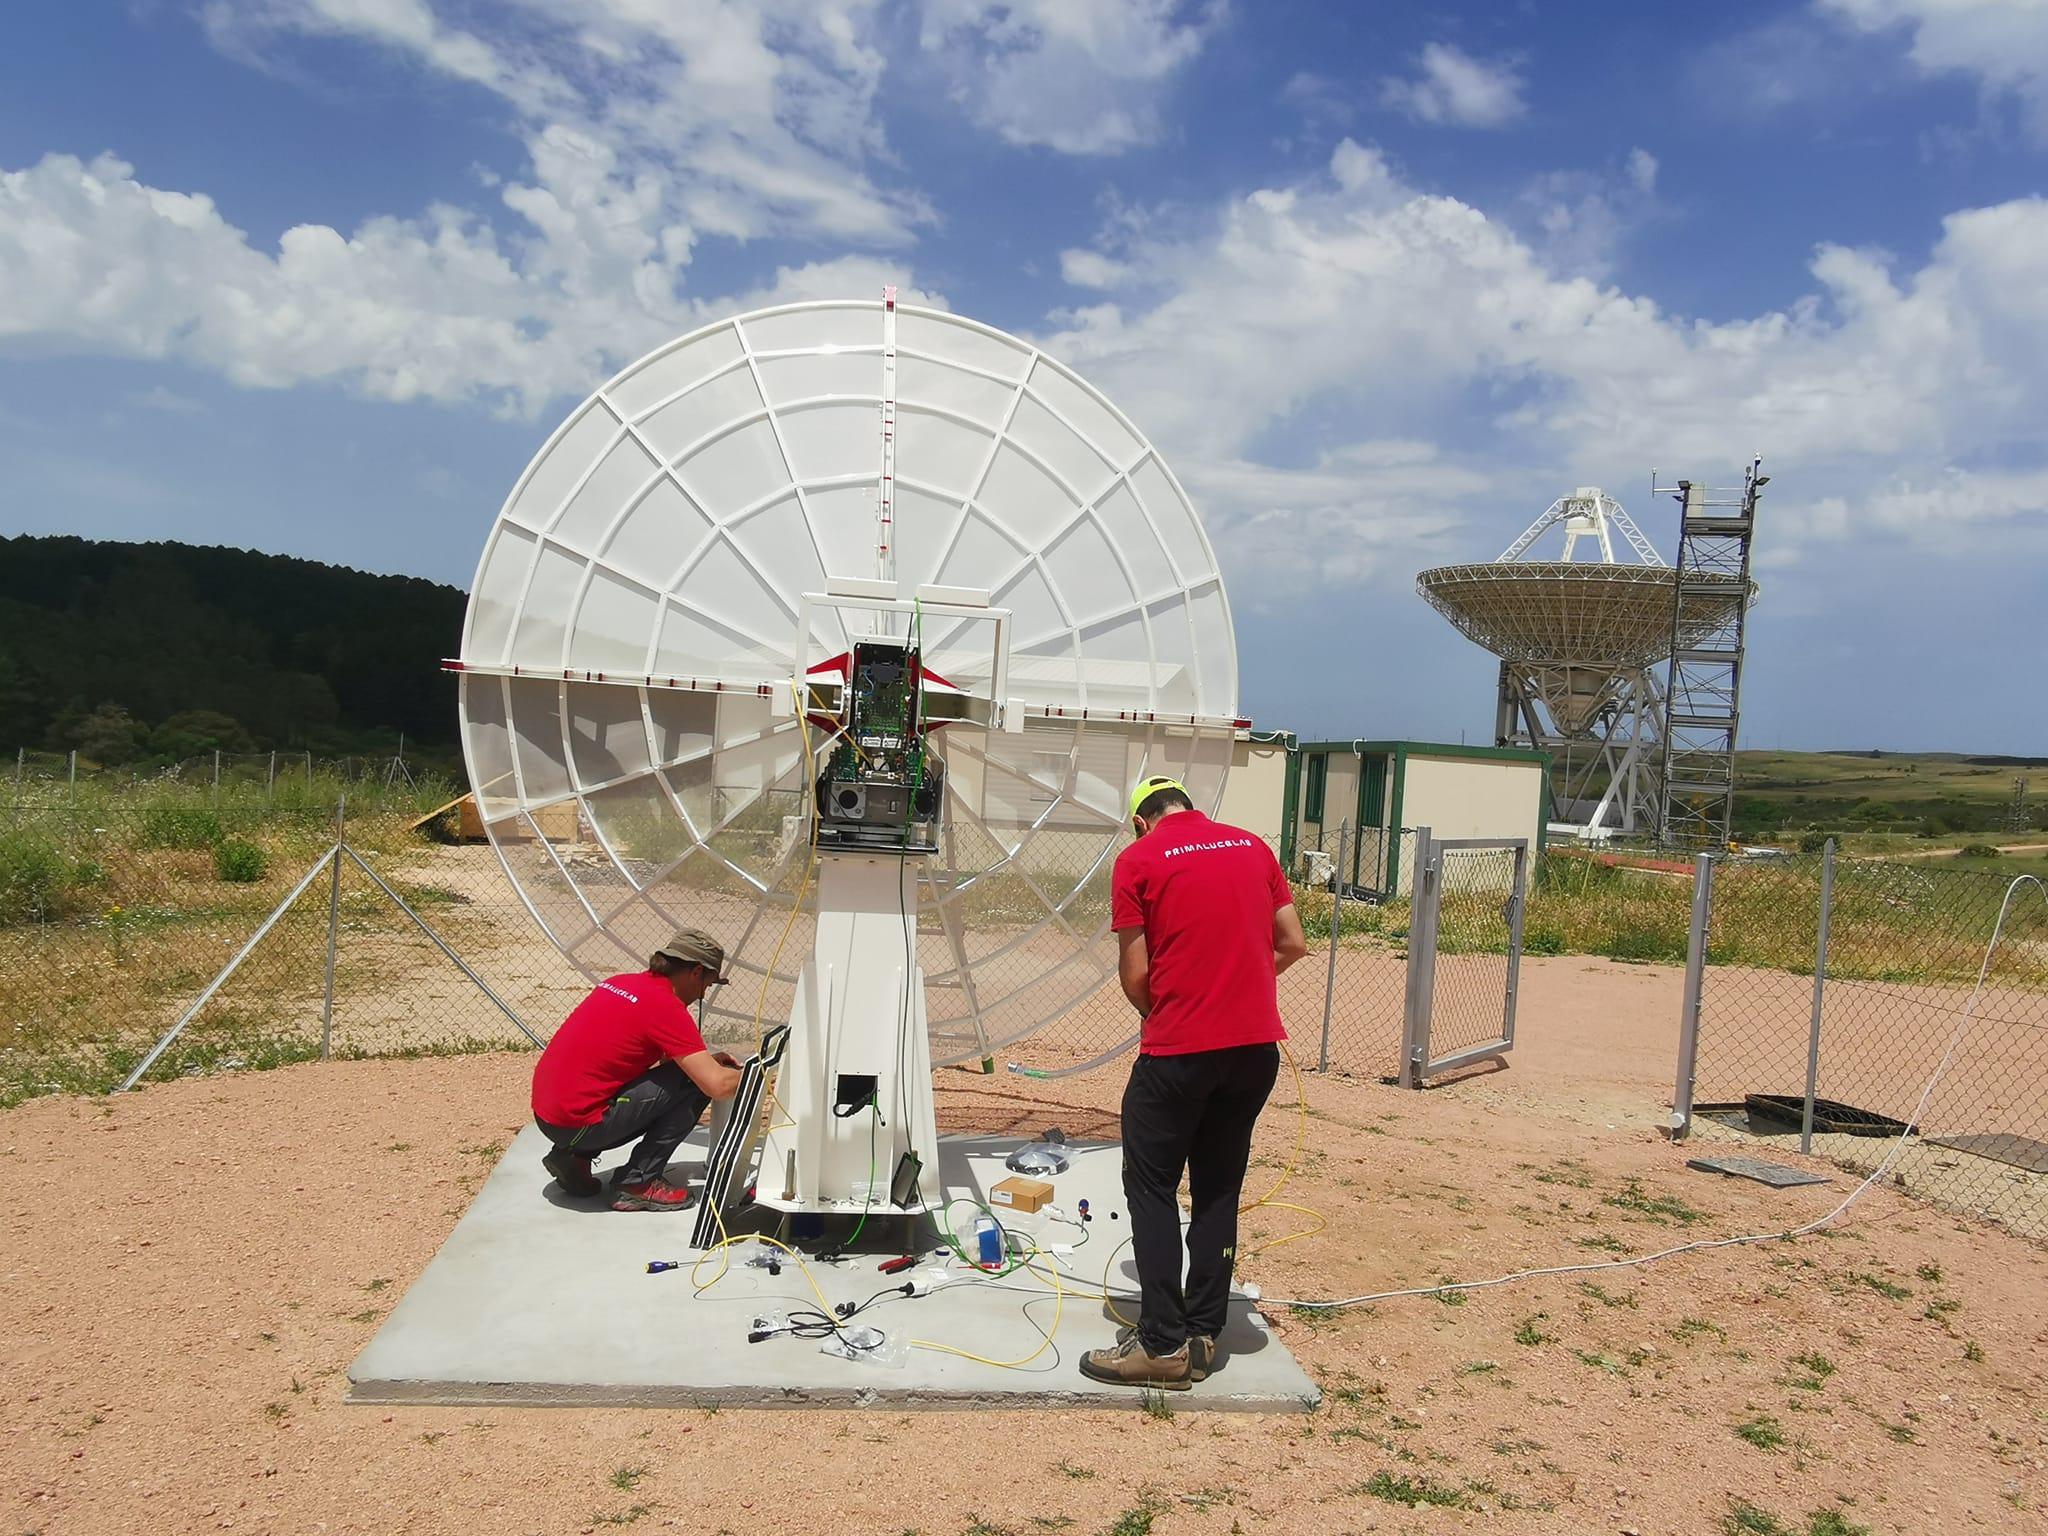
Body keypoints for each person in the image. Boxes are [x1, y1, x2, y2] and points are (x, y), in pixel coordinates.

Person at [1079, 776, 1309, 1390]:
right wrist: (1236, 984)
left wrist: (1184, 1004)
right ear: (1190, 806)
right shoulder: (1252, 847)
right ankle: (1205, 1331)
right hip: (1255, 1053)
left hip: (1180, 1052)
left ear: (1140, 821)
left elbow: (1136, 976)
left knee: (1152, 1188)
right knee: (1217, 1189)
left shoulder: (1139, 859)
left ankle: (1160, 1347)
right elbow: (1292, 943)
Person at [530, 928, 745, 1211]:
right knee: (693, 1084)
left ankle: (572, 1158)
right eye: (708, 983)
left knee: (671, 1076)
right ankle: (638, 1182)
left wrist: (707, 1062)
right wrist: (765, 1077)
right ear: (696, 972)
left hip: (549, 1117)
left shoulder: (621, 982)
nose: (704, 993)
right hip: (578, 1124)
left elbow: (650, 1058)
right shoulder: (665, 1006)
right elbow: (716, 1086)